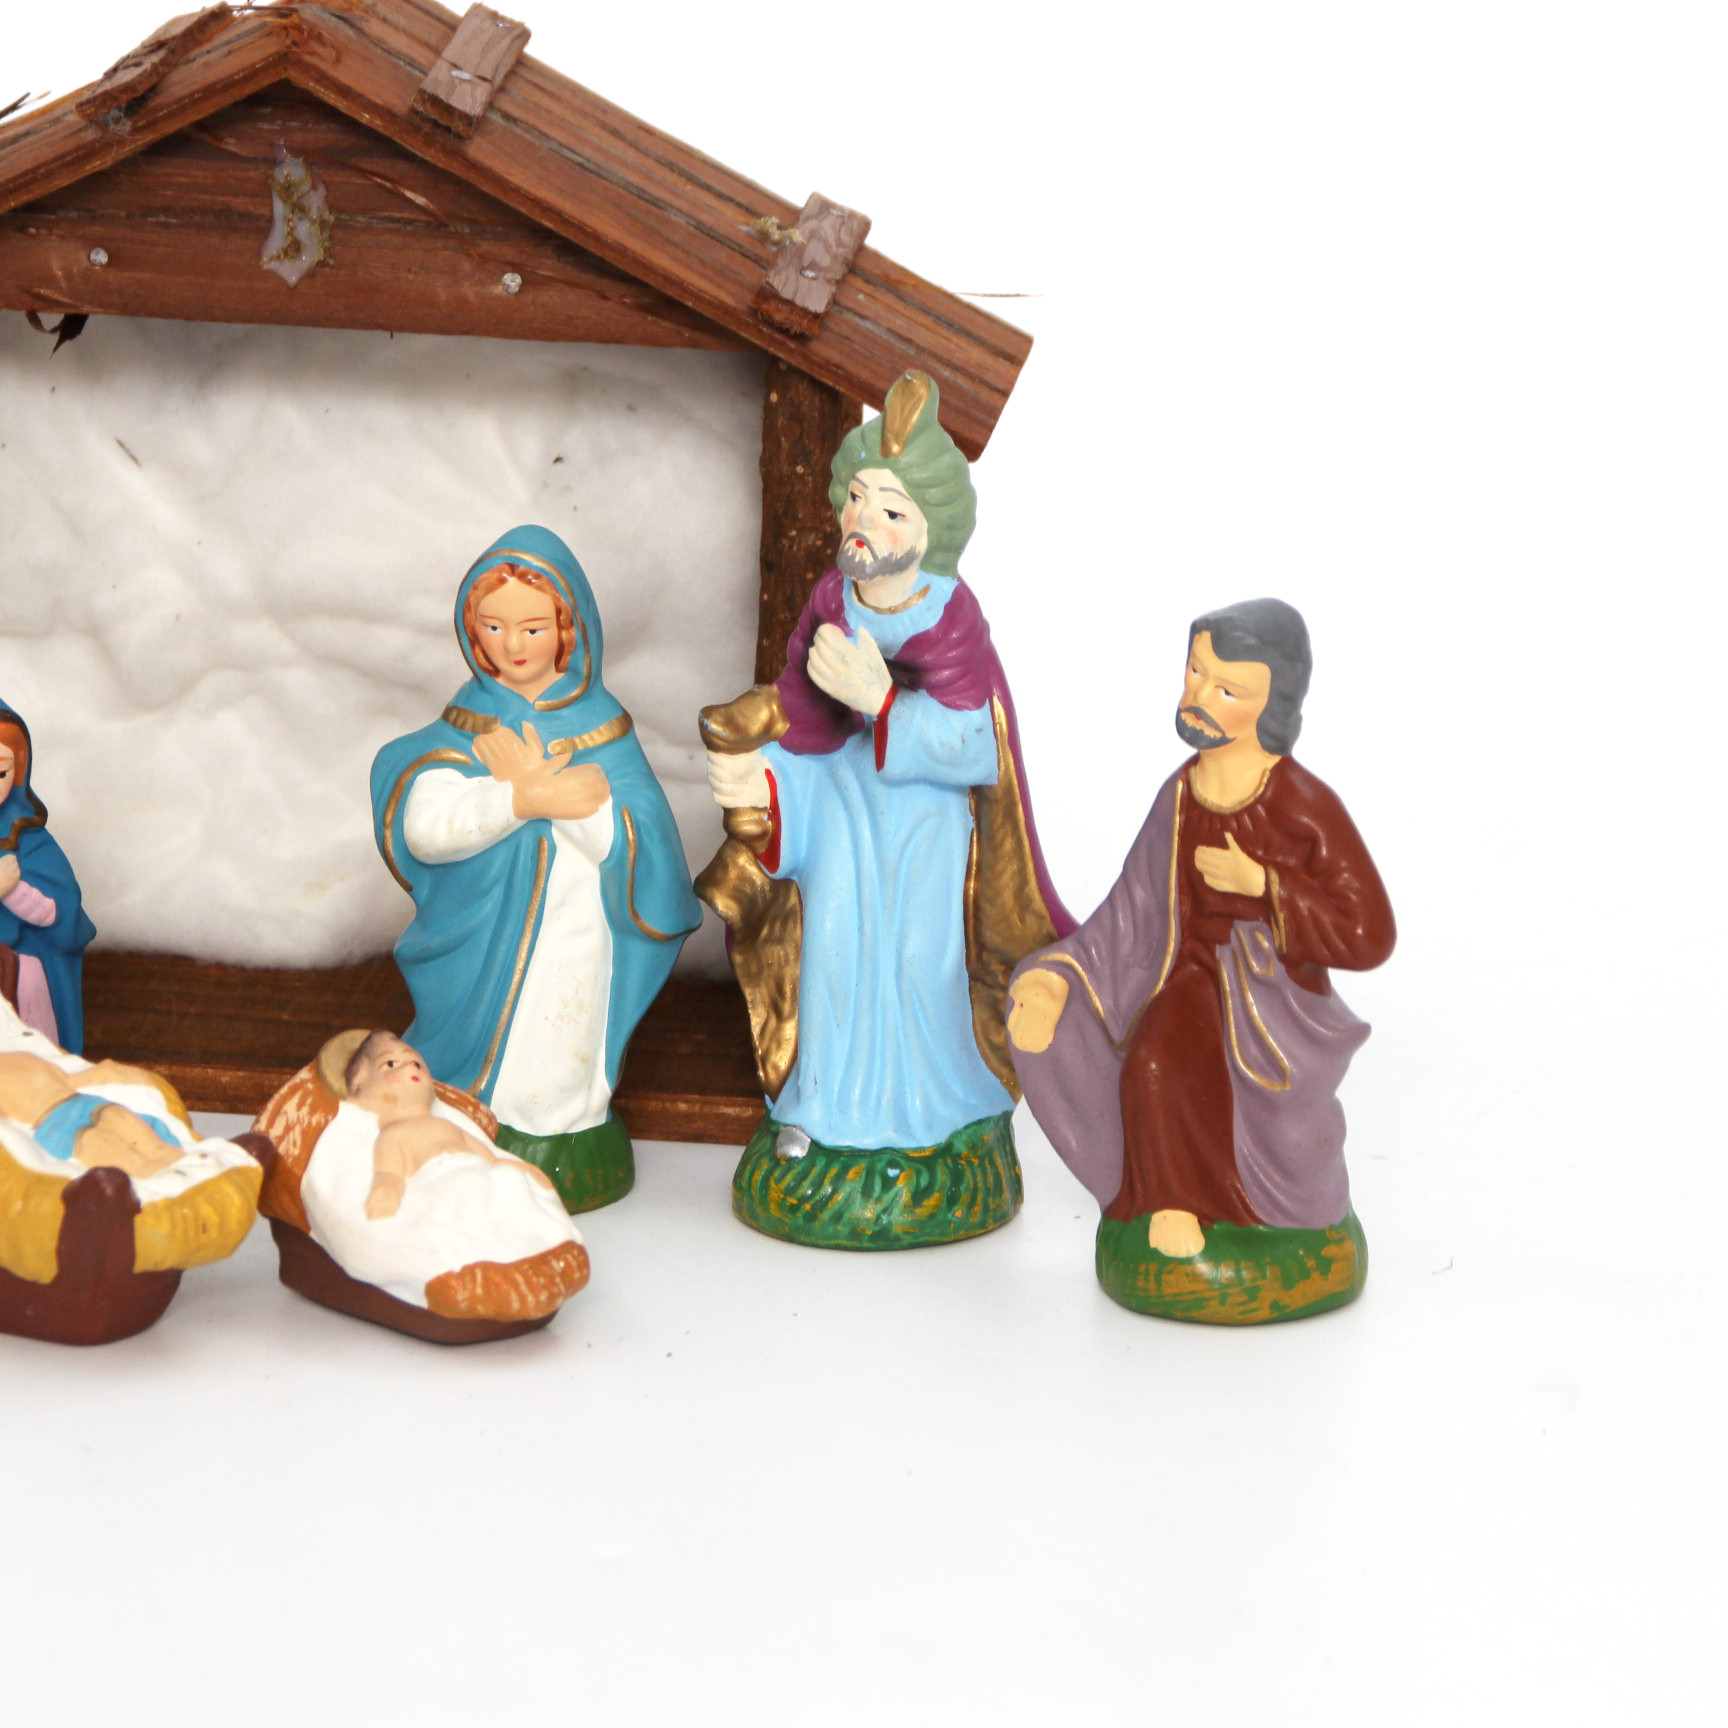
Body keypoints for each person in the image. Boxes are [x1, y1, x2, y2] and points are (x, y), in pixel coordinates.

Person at [699, 372, 1070, 1248]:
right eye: (858, 499)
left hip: (921, 827)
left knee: (915, 966)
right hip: (839, 811)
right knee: (830, 957)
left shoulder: (950, 617)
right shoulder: (832, 598)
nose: (864, 521)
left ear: (931, 531)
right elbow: (797, 708)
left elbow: (975, 745)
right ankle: (822, 1115)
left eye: (892, 509)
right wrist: (762, 775)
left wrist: (883, 702)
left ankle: (934, 1115)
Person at [1007, 599, 1395, 1321]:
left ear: (1271, 704)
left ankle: (1283, 1221)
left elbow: (1369, 931)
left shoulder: (1303, 803)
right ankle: (1170, 1201)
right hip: (1191, 975)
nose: (1198, 697)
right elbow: (1130, 914)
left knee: (1275, 1124)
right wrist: (1058, 976)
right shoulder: (1181, 797)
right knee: (1157, 1059)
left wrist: (1266, 887)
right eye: (1195, 673)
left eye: (1227, 689)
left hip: (1276, 1003)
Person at [371, 526, 700, 1211]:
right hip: (475, 932)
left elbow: (639, 834)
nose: (512, 646)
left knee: (558, 1044)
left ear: (567, 629)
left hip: (574, 926)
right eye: (493, 627)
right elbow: (424, 825)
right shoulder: (466, 723)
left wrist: (569, 807)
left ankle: (559, 1134)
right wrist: (520, 799)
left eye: (532, 628)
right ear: (471, 631)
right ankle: (463, 1123)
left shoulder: (601, 724)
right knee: (466, 1051)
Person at [0, 704, 96, 1052]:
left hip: (15, 980)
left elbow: (63, 916)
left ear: (17, 772)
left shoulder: (30, 843)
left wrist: (12, 891)